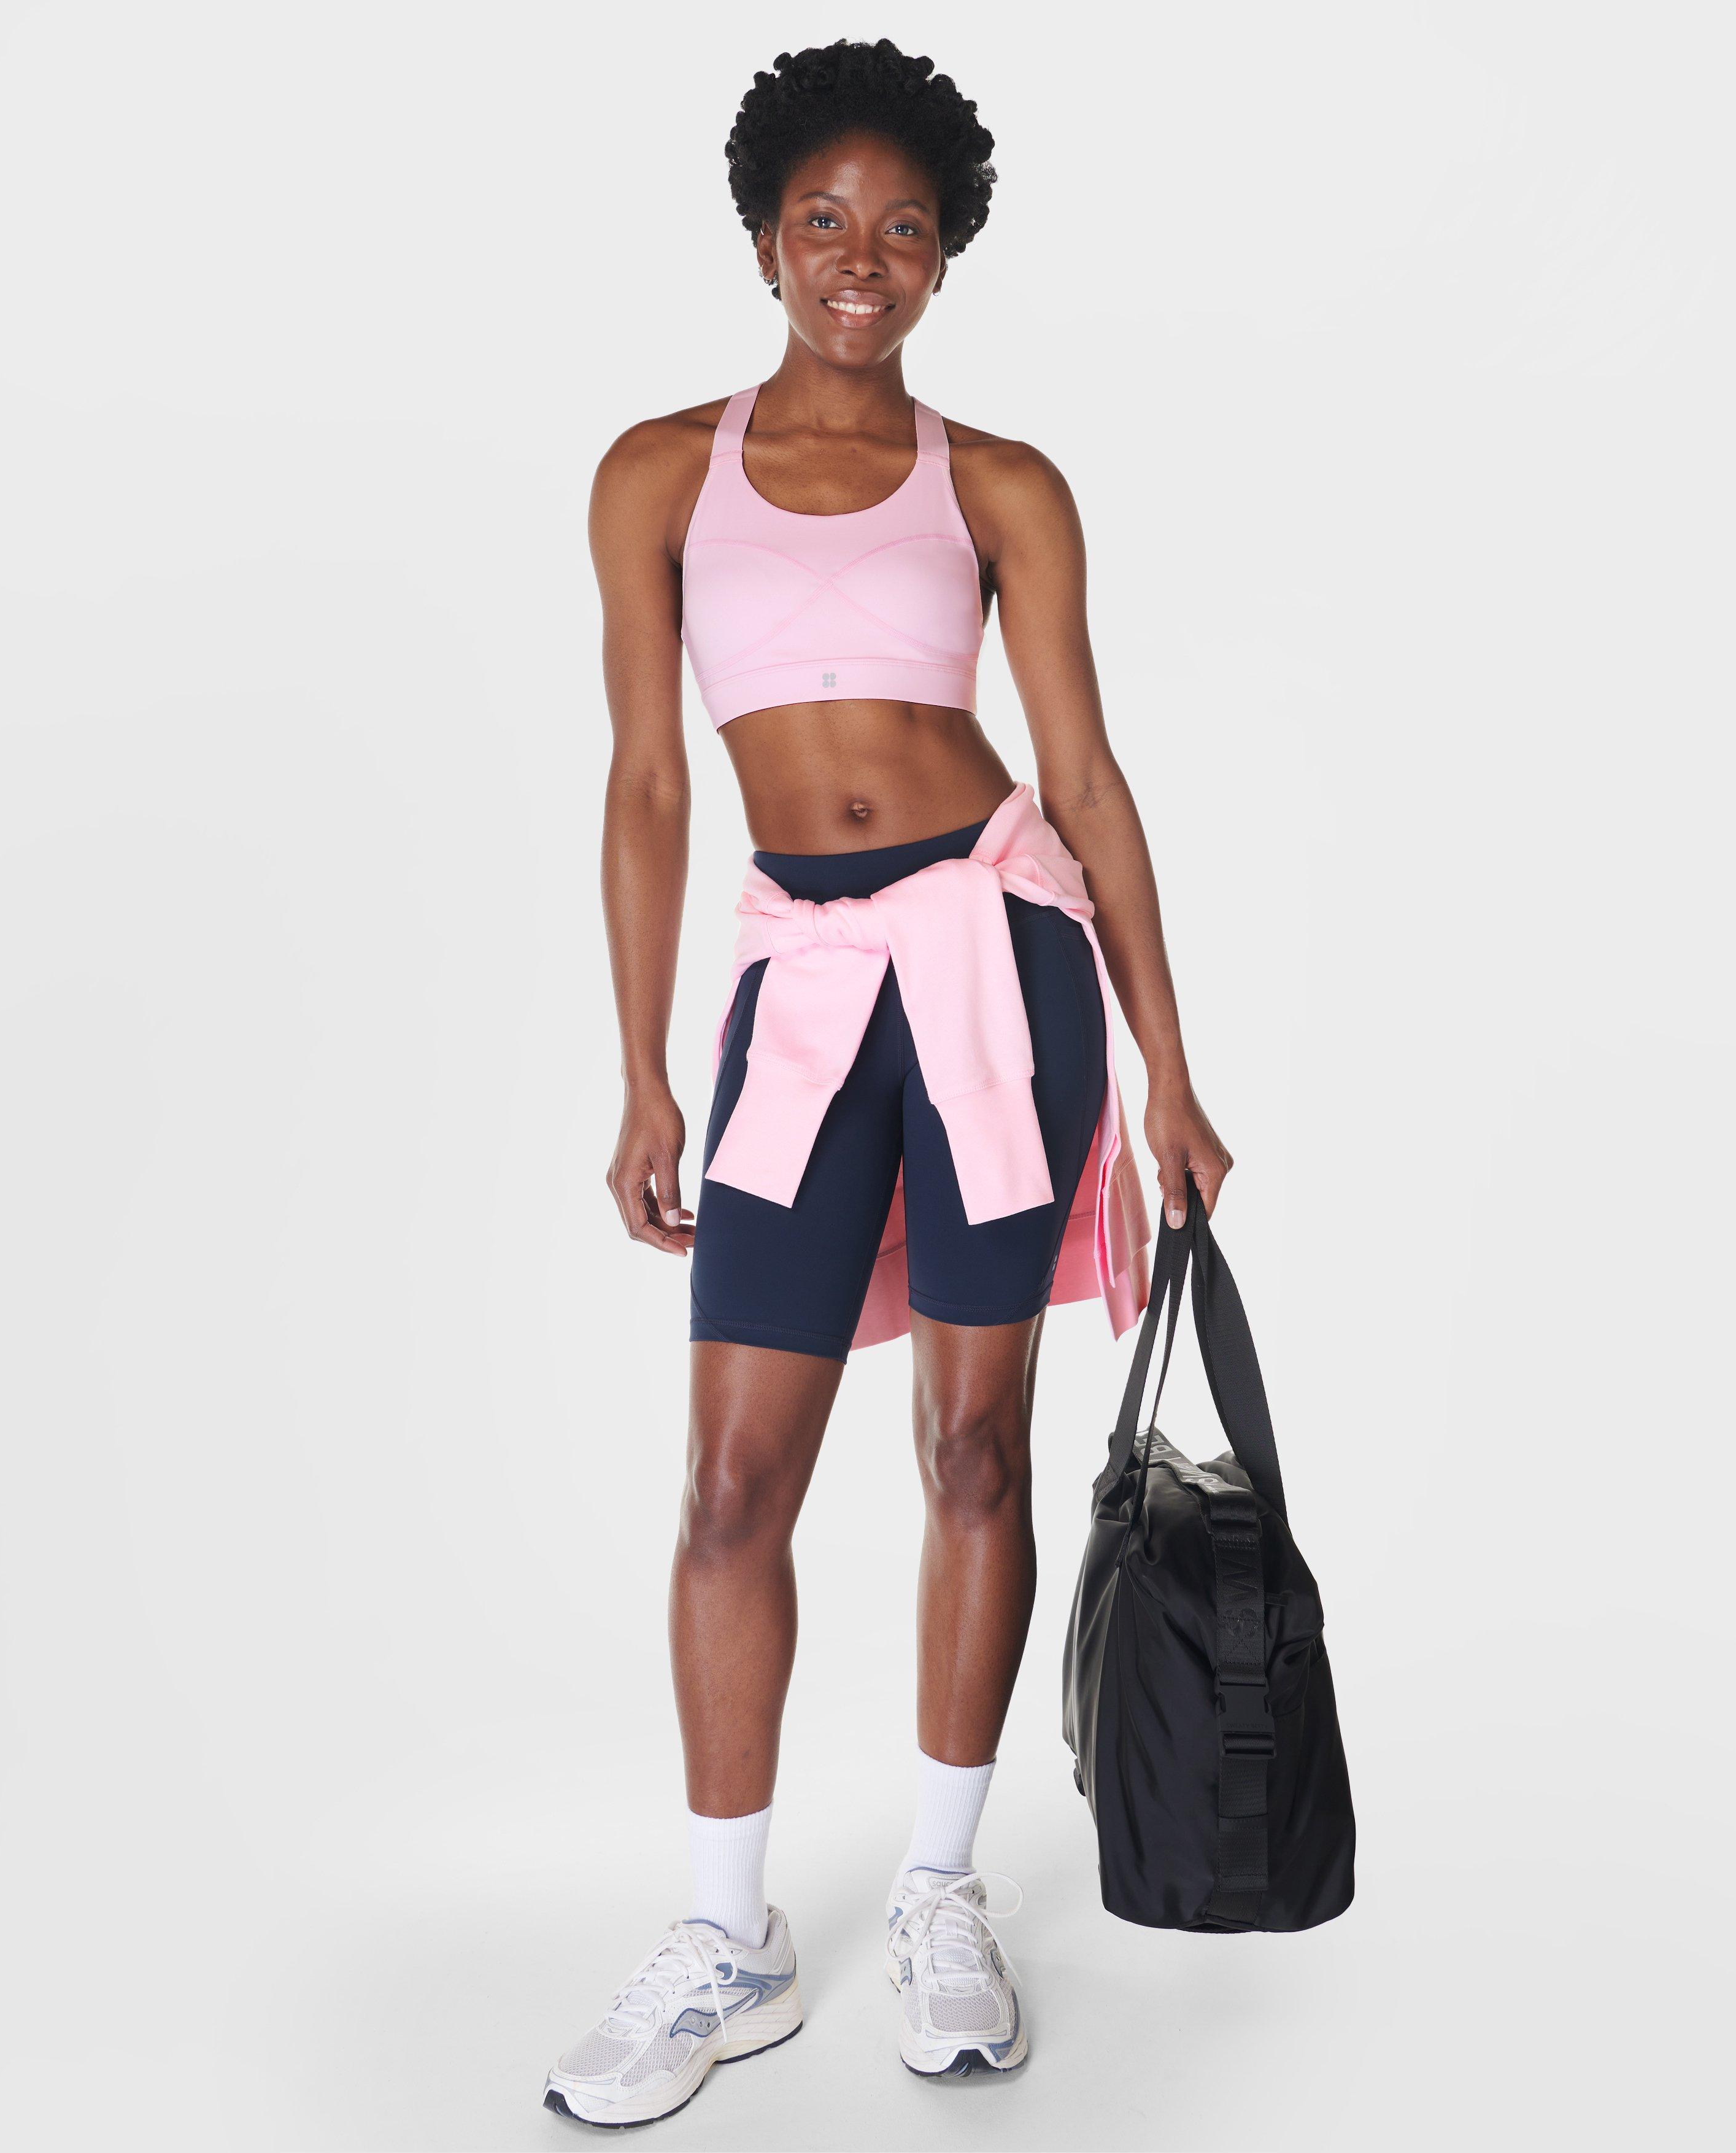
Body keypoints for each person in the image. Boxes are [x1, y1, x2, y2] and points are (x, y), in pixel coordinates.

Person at [544, 38, 1231, 2129]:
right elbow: (649, 782)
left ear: (944, 258)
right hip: (803, 988)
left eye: (903, 229)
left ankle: (942, 1888)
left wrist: (1172, 1072)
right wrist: (641, 1067)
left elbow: (1084, 778)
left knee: (970, 1450)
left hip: (999, 966)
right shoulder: (657, 472)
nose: (862, 258)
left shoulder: (1000, 483)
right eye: (824, 221)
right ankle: (725, 1936)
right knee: (729, 1481)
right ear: (765, 237)